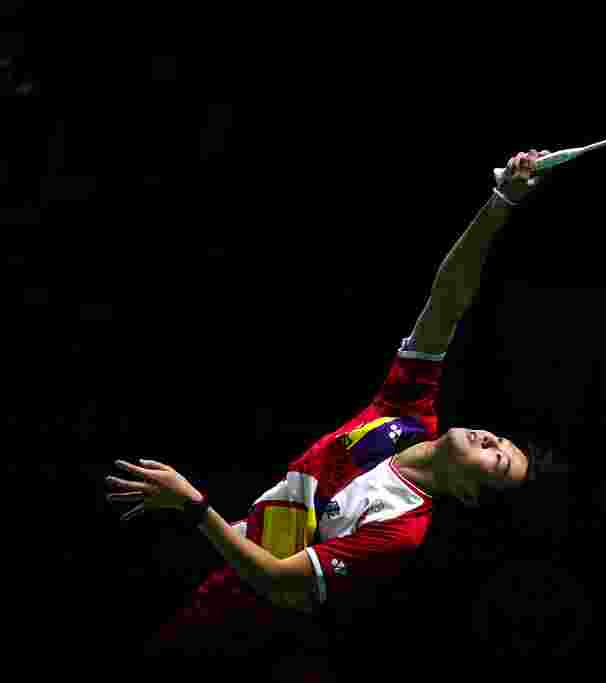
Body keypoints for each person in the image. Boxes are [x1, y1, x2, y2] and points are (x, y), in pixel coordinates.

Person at [104, 149, 550, 669]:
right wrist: (500, 202)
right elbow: (449, 297)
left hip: (238, 622)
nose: (491, 442)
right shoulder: (406, 413)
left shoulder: (400, 530)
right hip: (224, 545)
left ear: (471, 495)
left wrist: (193, 506)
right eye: (501, 441)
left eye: (497, 463)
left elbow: (276, 578)